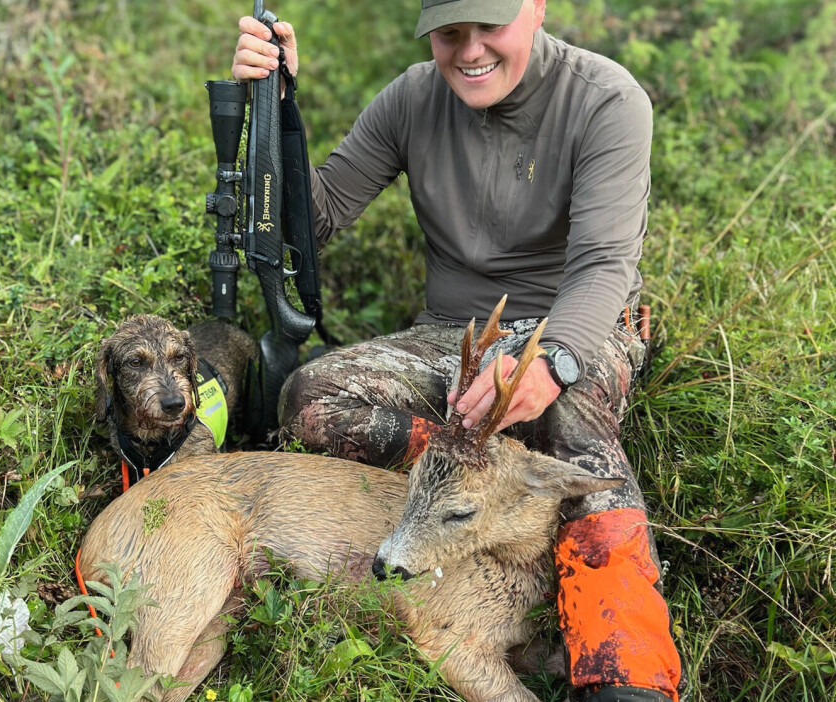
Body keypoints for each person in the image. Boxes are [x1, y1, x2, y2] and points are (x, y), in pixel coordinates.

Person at [232, 1, 682, 700]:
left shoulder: (606, 100)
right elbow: (310, 223)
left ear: (535, 8)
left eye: (489, 28)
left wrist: (550, 362)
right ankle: (468, 486)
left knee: (566, 428)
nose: (469, 52)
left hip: (578, 326)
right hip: (454, 338)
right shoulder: (412, 97)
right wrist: (270, 113)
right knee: (312, 400)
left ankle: (625, 671)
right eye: (449, 33)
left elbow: (601, 267)